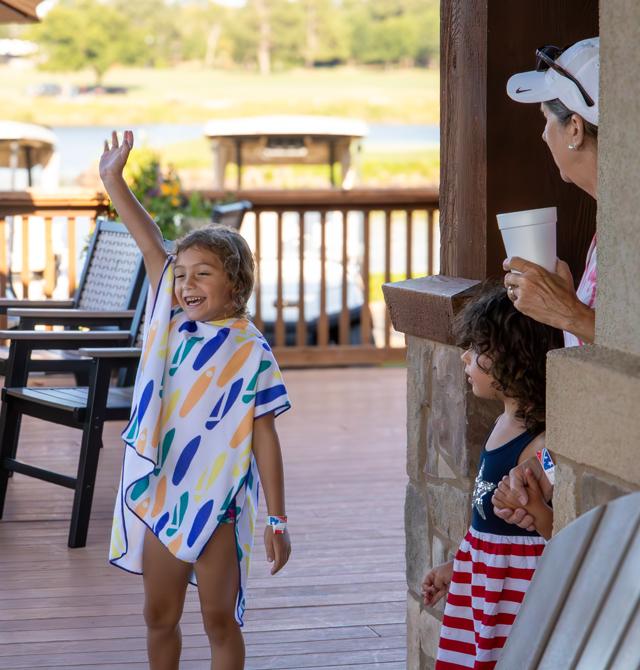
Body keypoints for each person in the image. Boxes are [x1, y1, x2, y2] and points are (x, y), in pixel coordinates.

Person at [100, 130, 292, 670]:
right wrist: (113, 180)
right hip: (164, 493)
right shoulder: (172, 324)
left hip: (219, 502)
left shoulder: (251, 349)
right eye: (181, 275)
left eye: (202, 274)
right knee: (158, 615)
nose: (186, 285)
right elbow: (150, 243)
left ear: (235, 283)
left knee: (218, 620)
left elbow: (265, 437)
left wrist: (277, 519)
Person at [421, 284, 562, 669]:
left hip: (516, 602)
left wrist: (536, 508)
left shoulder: (541, 447)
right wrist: (457, 566)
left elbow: (557, 531)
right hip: (483, 594)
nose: (465, 356)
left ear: (516, 359)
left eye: (478, 348)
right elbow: (485, 529)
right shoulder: (502, 423)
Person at [496, 37, 599, 524]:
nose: (543, 136)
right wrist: (544, 470)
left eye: (546, 120)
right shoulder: (608, 226)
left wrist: (566, 310)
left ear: (574, 128)